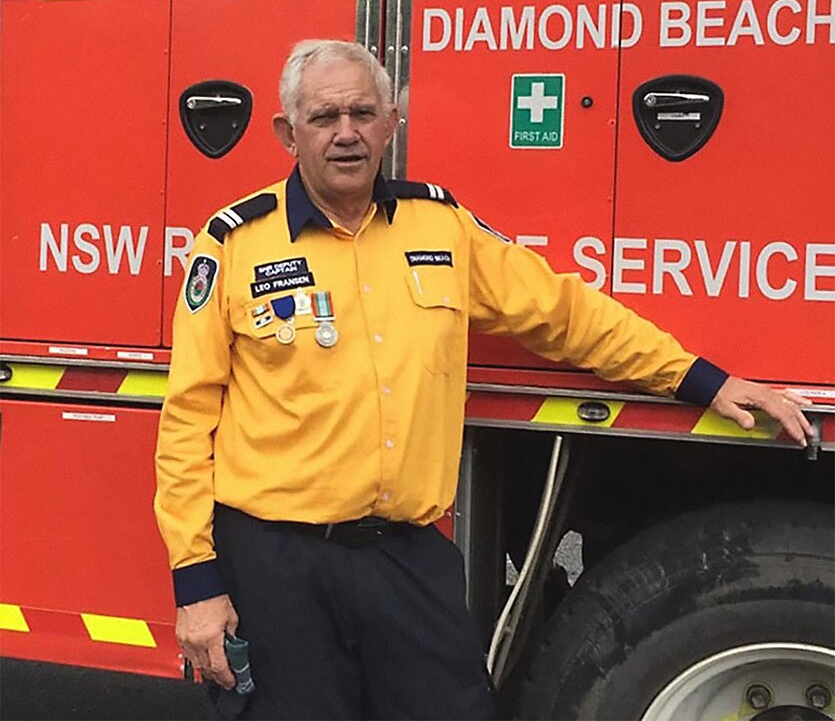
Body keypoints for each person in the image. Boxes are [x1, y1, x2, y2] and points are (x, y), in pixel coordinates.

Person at [154, 39, 813, 721]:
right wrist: (197, 584)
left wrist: (702, 381)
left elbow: (564, 313)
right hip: (277, 563)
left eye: (361, 112)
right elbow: (187, 422)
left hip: (405, 556)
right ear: (288, 134)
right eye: (323, 117)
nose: (345, 133)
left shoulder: (441, 227)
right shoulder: (233, 244)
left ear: (390, 123)